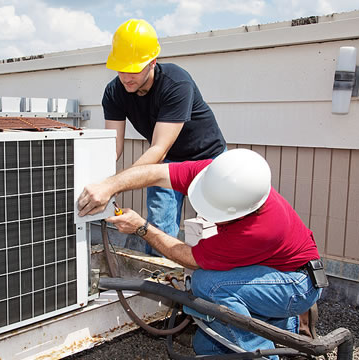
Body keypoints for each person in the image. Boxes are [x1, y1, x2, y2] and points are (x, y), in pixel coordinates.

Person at [78, 149, 325, 358]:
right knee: (206, 348)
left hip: (297, 284)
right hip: (272, 270)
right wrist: (109, 185)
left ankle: (266, 351)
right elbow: (155, 172)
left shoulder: (260, 229)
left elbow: (190, 258)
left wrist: (142, 228)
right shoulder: (219, 175)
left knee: (209, 285)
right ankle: (283, 327)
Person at [103, 18, 226, 254]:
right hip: (168, 162)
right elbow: (113, 147)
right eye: (121, 69)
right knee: (158, 228)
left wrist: (114, 185)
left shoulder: (176, 83)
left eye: (135, 69)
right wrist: (100, 181)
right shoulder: (114, 92)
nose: (127, 77)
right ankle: (160, 284)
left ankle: (211, 282)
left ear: (152, 62)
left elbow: (159, 148)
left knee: (216, 227)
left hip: (208, 159)